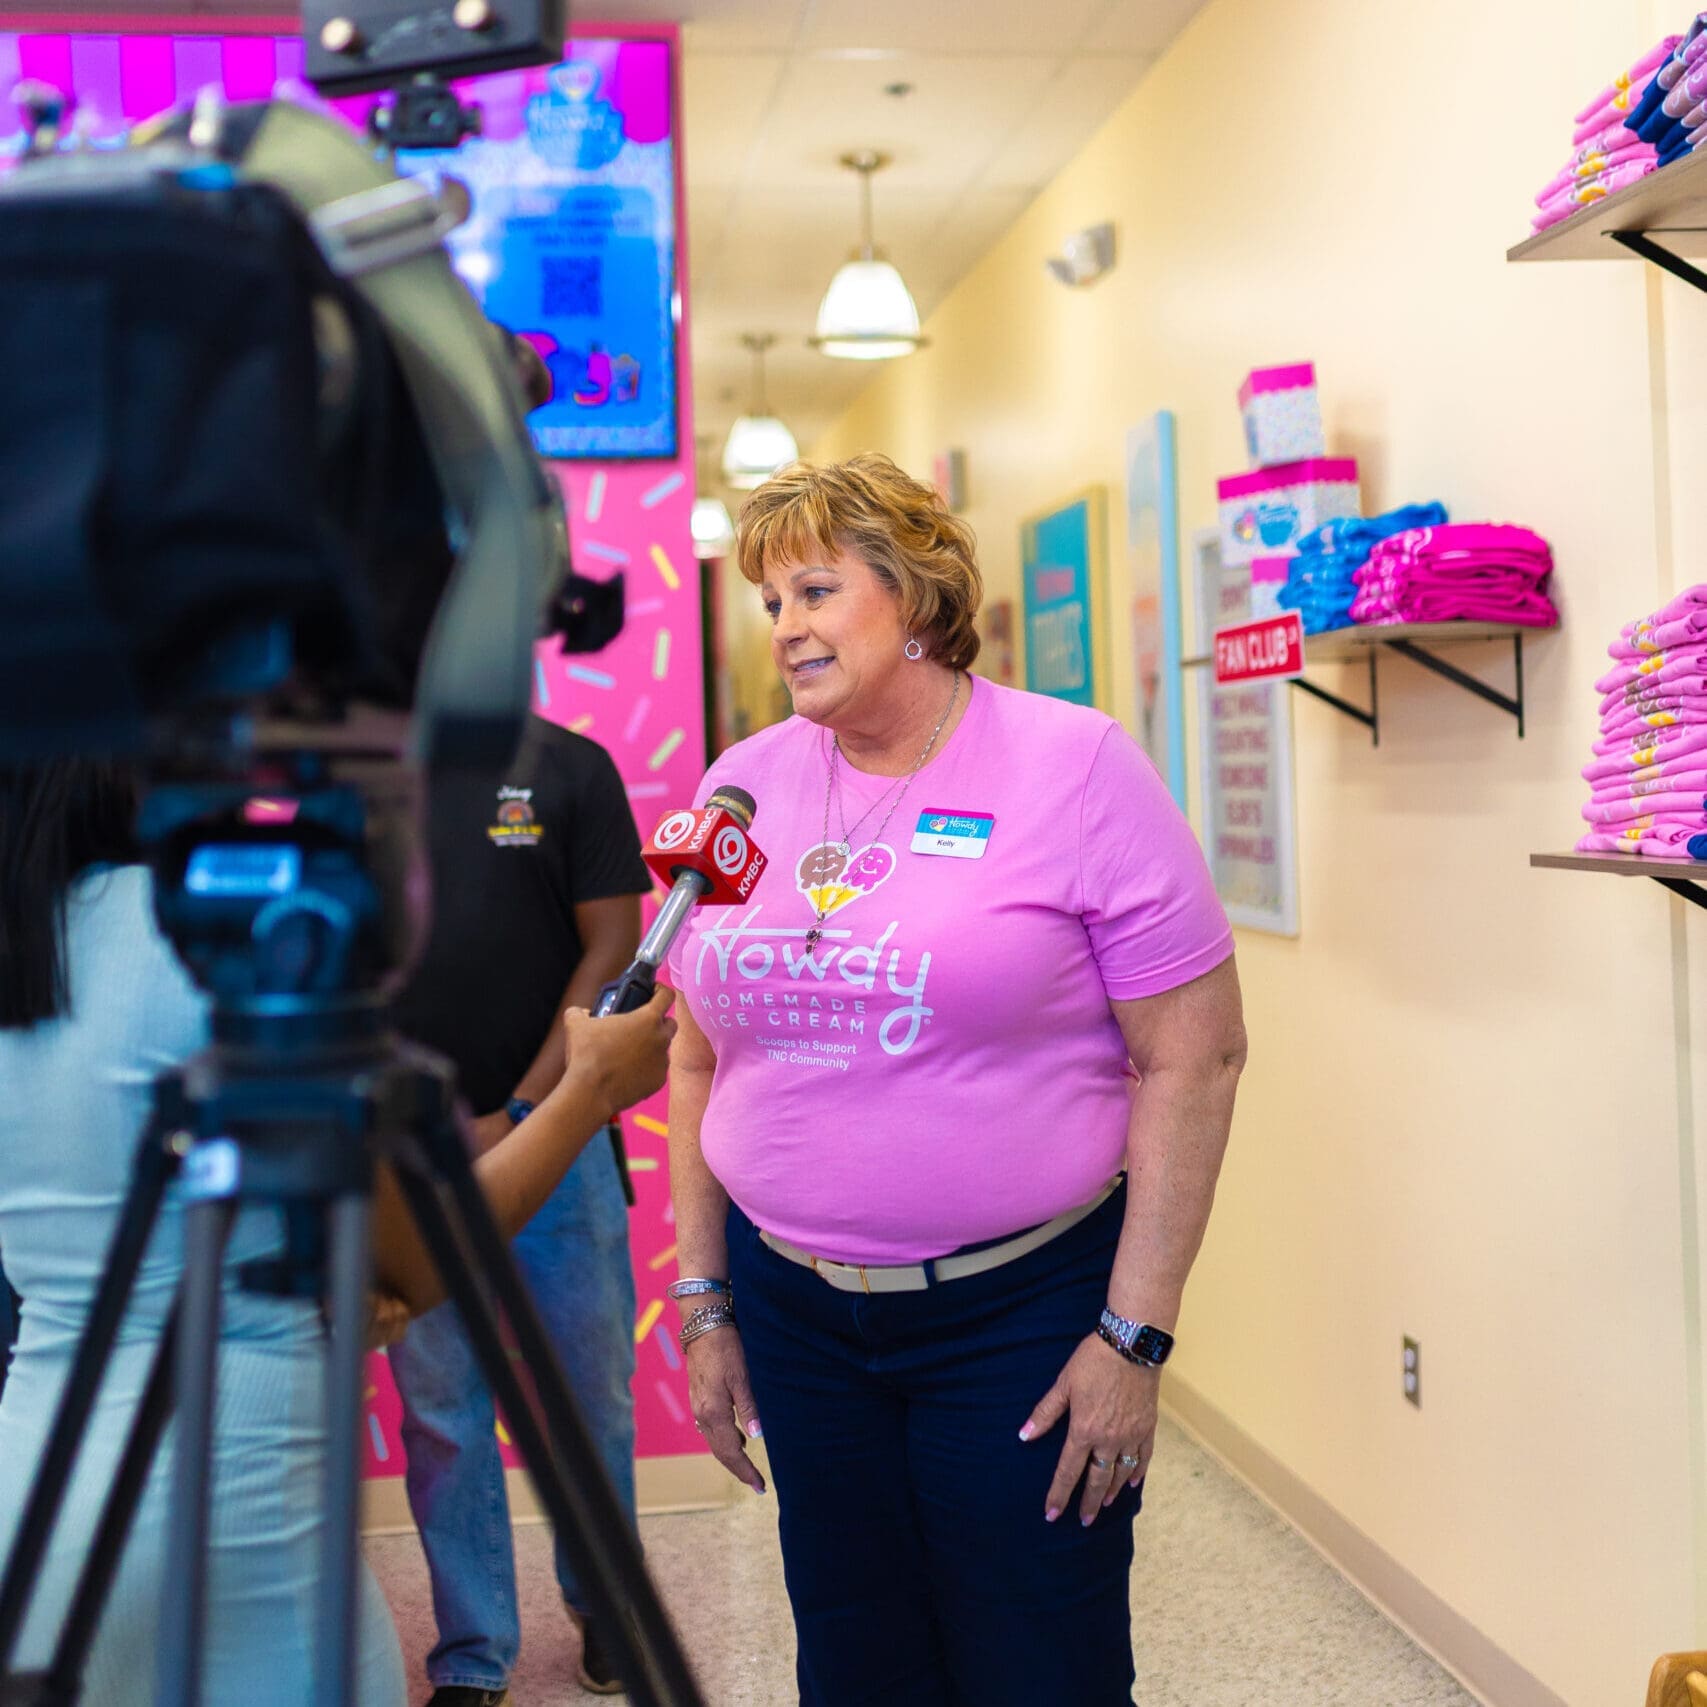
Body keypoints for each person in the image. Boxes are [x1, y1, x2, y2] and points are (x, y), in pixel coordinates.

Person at [661, 454, 1248, 1707]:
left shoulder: (1075, 767)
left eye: (816, 590)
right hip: (799, 1314)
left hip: (1019, 1316)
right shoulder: (739, 786)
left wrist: (1132, 1338)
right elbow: (695, 1049)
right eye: (771, 603)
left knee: (1041, 1662)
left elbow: (1193, 1056)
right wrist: (706, 1299)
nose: (788, 629)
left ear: (919, 598)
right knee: (857, 1658)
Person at [0, 760, 675, 1706]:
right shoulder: (232, 942)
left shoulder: (26, 942)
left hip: (32, 1501)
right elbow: (423, 1258)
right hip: (232, 1519)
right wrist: (589, 1090)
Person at [388, 715, 652, 1704]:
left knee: (589, 1399)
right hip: (409, 1155)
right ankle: (472, 1652)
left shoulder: (571, 765)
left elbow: (614, 950)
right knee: (442, 1412)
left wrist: (522, 1113)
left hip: (563, 1146)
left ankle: (606, 1608)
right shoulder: (367, 770)